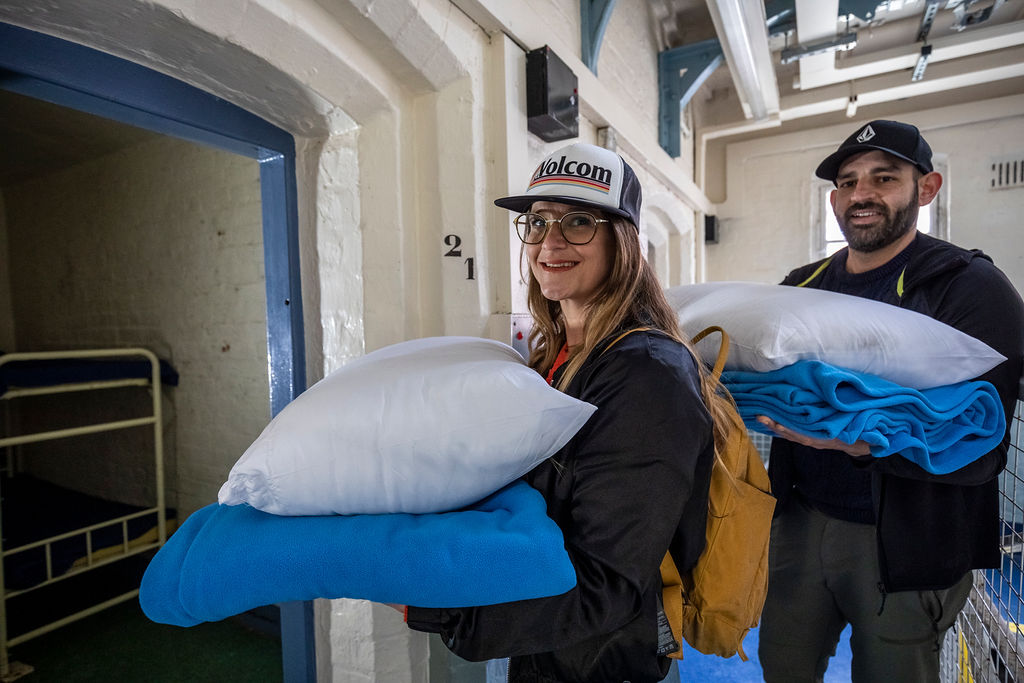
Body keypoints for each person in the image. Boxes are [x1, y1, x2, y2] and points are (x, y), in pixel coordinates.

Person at [397, 142, 732, 682]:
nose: (549, 242)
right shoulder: (556, 354)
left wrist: (438, 609)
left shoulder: (648, 377)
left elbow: (608, 585)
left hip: (602, 660)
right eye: (536, 222)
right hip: (552, 647)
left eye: (578, 222)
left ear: (623, 242)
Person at [756, 119, 1024, 682]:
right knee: (783, 664)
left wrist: (870, 442)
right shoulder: (801, 286)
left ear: (926, 189)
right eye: (849, 183)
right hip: (802, 521)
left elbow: (983, 435)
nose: (862, 195)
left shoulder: (968, 285)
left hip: (904, 537)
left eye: (884, 178)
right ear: (834, 199)